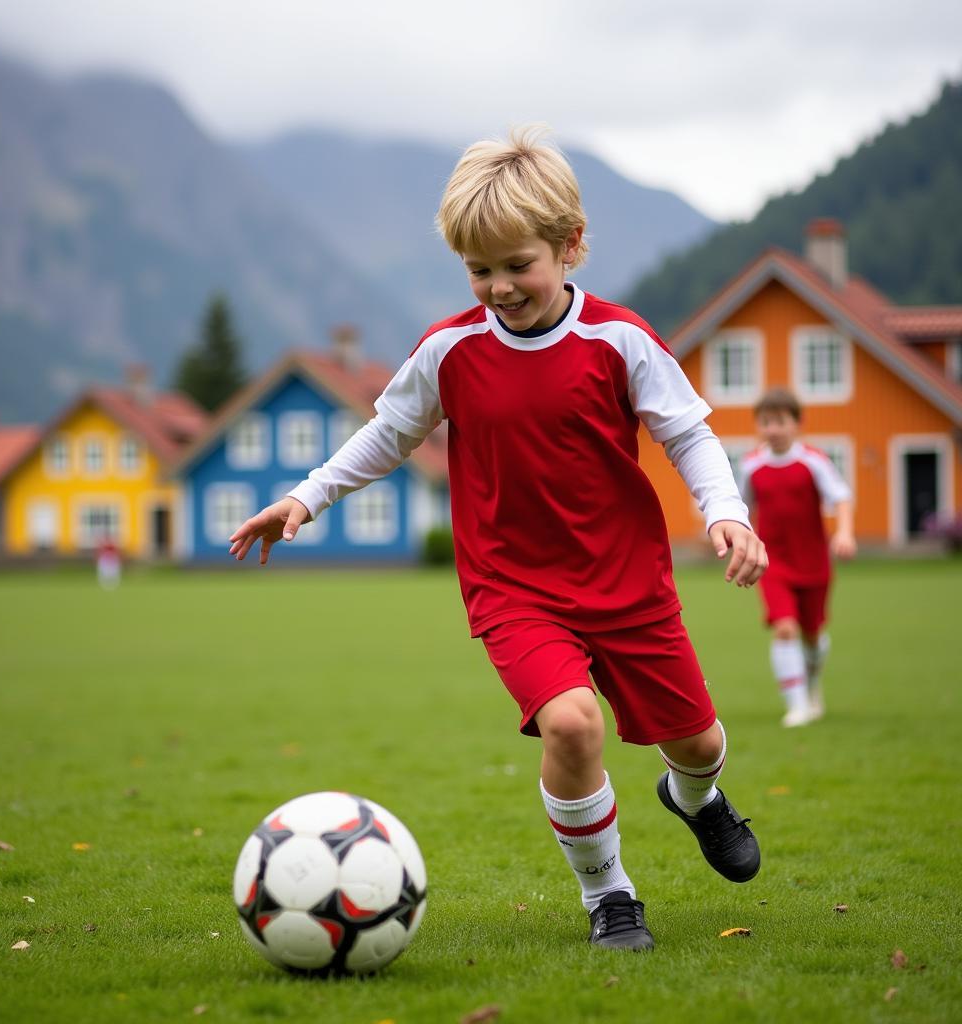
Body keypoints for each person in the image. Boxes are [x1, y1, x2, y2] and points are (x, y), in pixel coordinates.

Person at [229, 127, 767, 953]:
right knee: (574, 726)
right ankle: (609, 896)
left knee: (696, 743)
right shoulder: (449, 351)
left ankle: (696, 800)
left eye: (518, 265)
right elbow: (387, 434)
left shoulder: (620, 341)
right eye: (479, 270)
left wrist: (724, 511)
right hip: (513, 587)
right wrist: (306, 497)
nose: (499, 287)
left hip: (629, 582)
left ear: (570, 246)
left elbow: (690, 435)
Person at [739, 388, 855, 727]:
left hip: (814, 563)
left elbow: (842, 498)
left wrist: (845, 533)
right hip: (772, 564)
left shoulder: (813, 461)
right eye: (765, 422)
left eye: (779, 421)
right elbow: (740, 508)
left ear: (797, 424)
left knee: (813, 636)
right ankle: (798, 705)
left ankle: (812, 685)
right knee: (785, 629)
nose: (772, 429)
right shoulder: (751, 466)